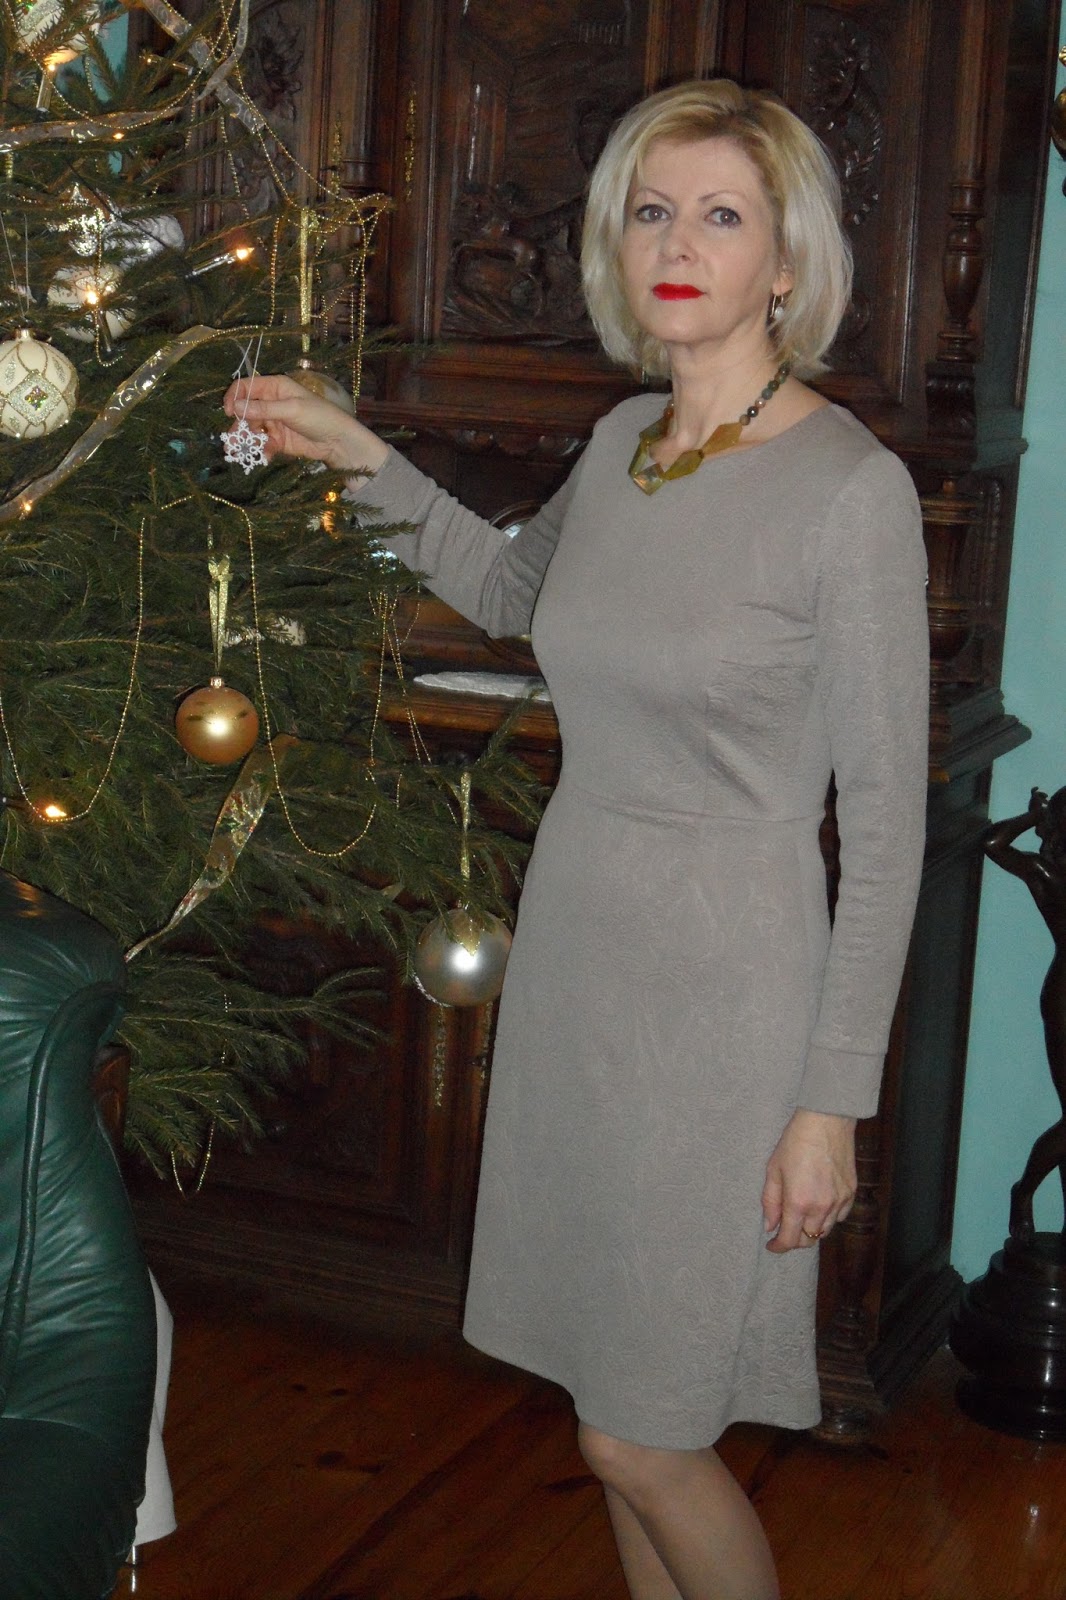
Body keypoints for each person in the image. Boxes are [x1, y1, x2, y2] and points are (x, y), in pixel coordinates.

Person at [224, 77, 929, 1600]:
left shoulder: (849, 491)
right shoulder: (622, 444)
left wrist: (831, 1102)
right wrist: (353, 452)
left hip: (730, 994)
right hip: (584, 958)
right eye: (650, 212)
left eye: (721, 215)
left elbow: (885, 831)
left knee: (641, 1435)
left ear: (786, 261)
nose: (677, 244)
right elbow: (509, 591)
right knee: (611, 1395)